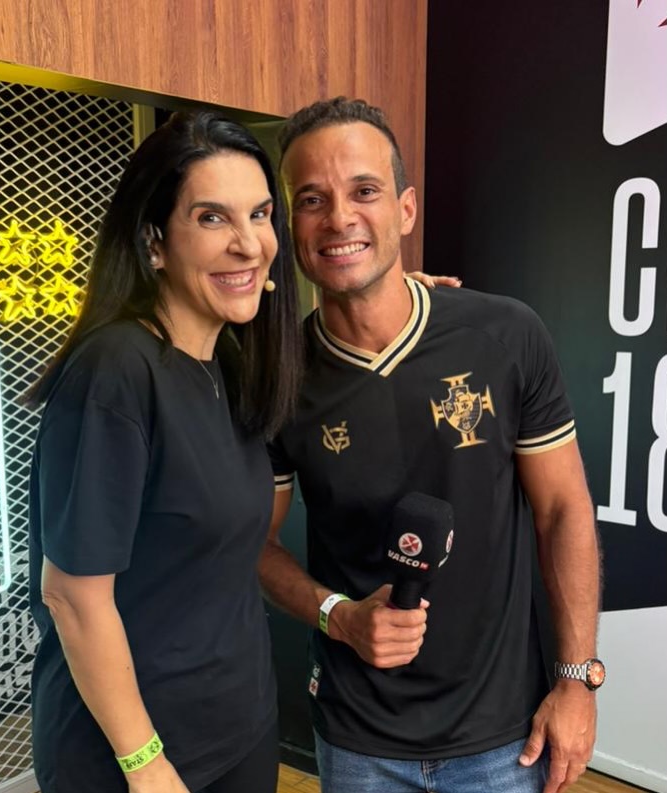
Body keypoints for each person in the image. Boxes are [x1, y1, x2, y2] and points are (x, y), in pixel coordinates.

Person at [258, 97, 602, 793]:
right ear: (290, 226)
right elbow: (250, 542)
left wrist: (576, 680)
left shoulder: (505, 335)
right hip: (357, 741)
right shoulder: (276, 374)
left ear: (406, 210)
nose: (339, 219)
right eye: (312, 200)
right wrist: (337, 616)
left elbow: (563, 509)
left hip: (503, 741)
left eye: (364, 191)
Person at [25, 110, 304, 793]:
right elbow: (71, 596)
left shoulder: (231, 363)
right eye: (211, 218)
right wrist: (144, 762)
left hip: (238, 728)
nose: (248, 244)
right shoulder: (117, 370)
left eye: (260, 214)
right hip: (137, 755)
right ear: (154, 241)